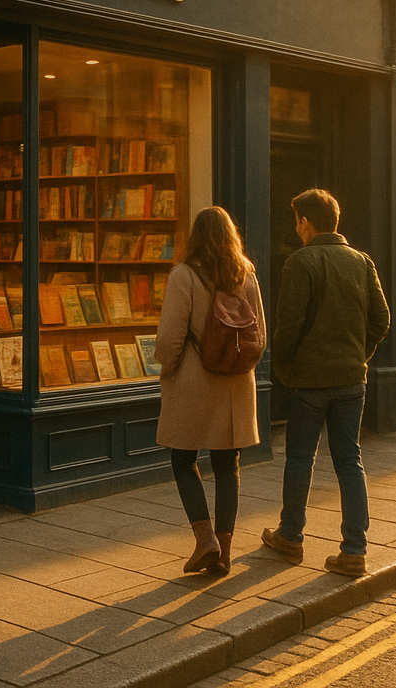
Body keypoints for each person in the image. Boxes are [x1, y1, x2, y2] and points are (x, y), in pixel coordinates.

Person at [261, 189, 389, 578]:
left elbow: (288, 327)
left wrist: (284, 368)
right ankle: (354, 550)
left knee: (301, 458)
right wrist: (358, 355)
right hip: (351, 379)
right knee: (350, 460)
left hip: (309, 382)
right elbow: (381, 321)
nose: (295, 227)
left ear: (305, 221)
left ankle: (291, 537)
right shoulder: (361, 261)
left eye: (296, 220)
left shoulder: (301, 262)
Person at [154, 206, 265, 576]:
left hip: (192, 380)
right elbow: (260, 337)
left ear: (195, 237)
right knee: (227, 465)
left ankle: (205, 540)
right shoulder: (246, 274)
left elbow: (170, 337)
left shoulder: (183, 275)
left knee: (183, 460)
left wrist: (167, 369)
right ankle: (225, 552)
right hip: (235, 385)